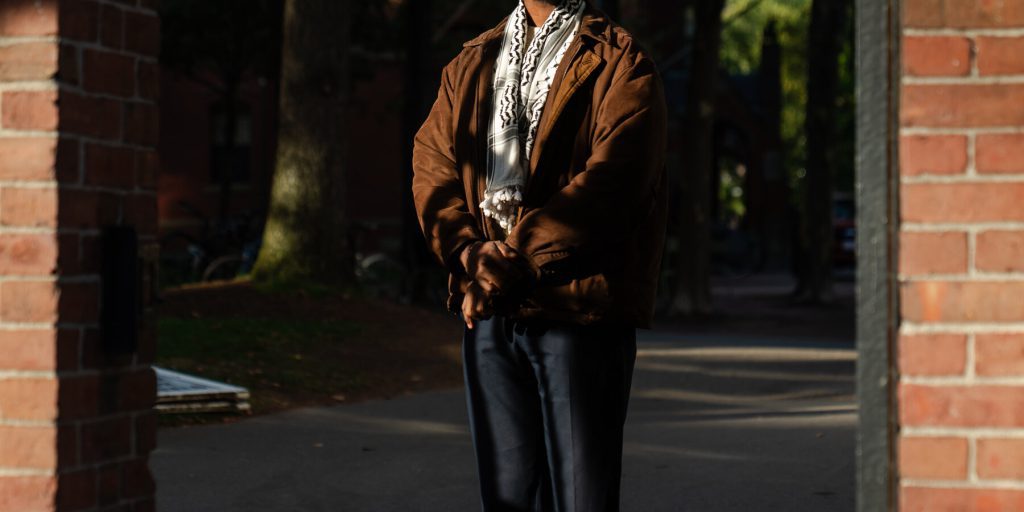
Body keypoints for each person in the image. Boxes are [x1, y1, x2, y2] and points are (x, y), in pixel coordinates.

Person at [411, 0, 667, 510]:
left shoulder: (621, 60)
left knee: (581, 498)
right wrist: (468, 252)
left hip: (578, 312)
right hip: (490, 313)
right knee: (508, 499)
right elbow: (433, 166)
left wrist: (511, 262)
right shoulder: (471, 61)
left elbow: (615, 184)